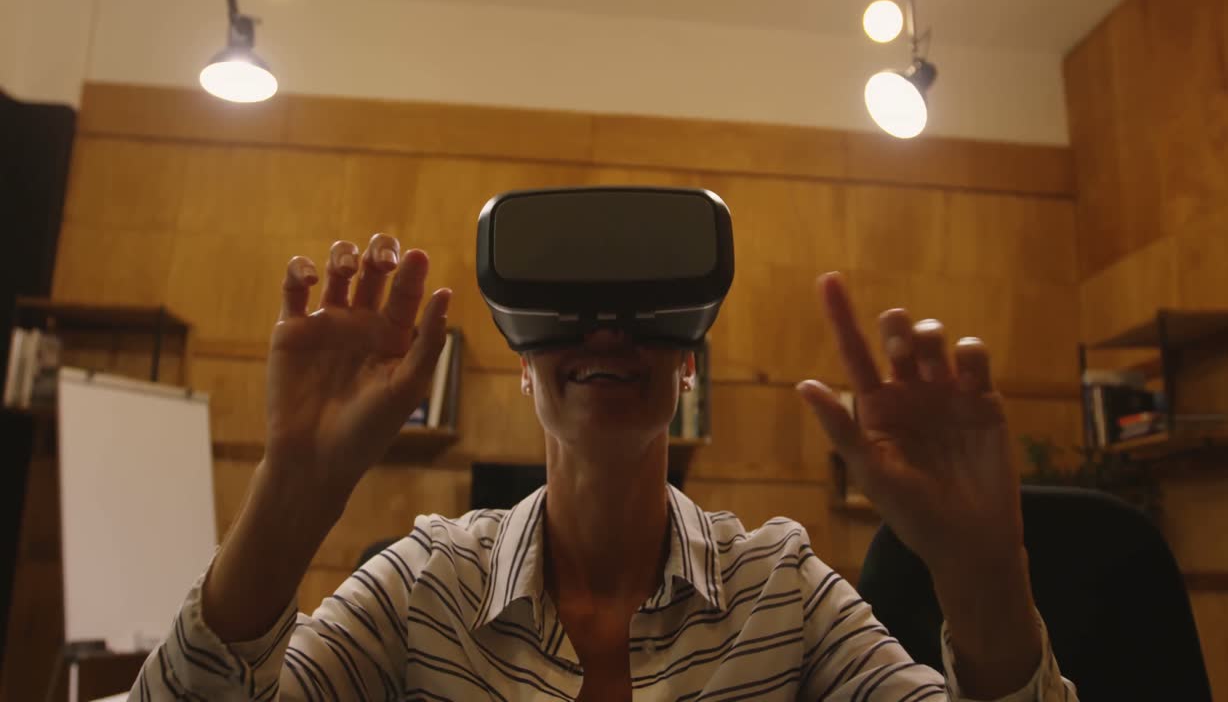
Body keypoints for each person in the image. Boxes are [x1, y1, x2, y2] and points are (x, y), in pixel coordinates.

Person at [131, 233, 1077, 701]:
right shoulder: (426, 586)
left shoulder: (781, 590)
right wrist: (290, 492)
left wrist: (985, 575)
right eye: (565, 314)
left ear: (689, 362)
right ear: (521, 364)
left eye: (645, 313)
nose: (607, 334)